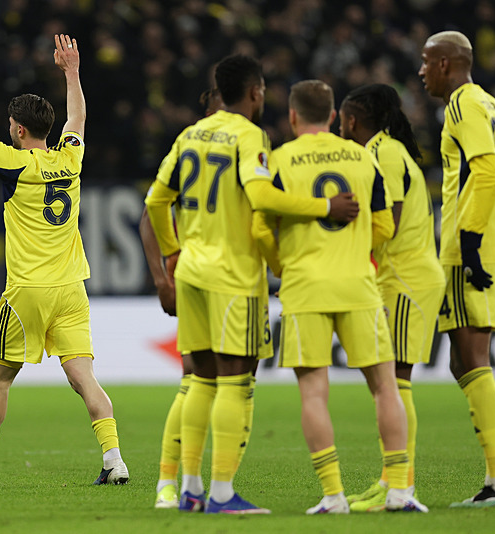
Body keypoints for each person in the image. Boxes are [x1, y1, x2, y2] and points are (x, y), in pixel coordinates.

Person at [145, 55, 359, 514]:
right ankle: (222, 493)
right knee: (236, 381)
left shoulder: (190, 134)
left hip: (192, 272)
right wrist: (325, 207)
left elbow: (156, 200)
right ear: (255, 92)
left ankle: (190, 489)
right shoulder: (249, 136)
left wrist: (173, 251)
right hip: (233, 276)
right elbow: (260, 195)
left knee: (200, 380)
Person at [0, 35, 129, 486]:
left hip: (27, 293)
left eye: (9, 124)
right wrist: (72, 72)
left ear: (19, 130)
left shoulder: (13, 162)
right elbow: (77, 116)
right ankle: (114, 459)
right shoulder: (71, 158)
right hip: (72, 288)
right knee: (84, 377)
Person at [269, 79, 428, 514]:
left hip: (305, 286)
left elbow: (263, 226)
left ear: (293, 116)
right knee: (385, 386)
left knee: (313, 393)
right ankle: (399, 491)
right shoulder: (364, 157)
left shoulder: (281, 159)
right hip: (359, 284)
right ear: (334, 115)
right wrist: (355, 248)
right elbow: (385, 226)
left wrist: (282, 263)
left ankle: (333, 495)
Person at [418, 30, 495, 508]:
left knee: (473, 360)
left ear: (446, 64)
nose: (421, 71)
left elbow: (485, 171)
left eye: (426, 62)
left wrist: (470, 241)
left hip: (471, 251)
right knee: (462, 361)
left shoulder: (463, 105)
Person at [338, 83, 446, 512]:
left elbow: (390, 223)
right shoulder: (389, 150)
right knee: (390, 382)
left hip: (404, 278)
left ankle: (401, 487)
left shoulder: (382, 154)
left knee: (395, 382)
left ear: (352, 121)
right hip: (400, 276)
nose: (339, 127)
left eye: (342, 120)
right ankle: (390, 479)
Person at [140, 88, 224, 509]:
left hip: (216, 277)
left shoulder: (197, 144)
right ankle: (183, 483)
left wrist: (166, 271)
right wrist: (163, 272)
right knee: (204, 379)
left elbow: (151, 209)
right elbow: (150, 213)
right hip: (215, 278)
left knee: (211, 381)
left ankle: (184, 485)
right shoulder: (212, 143)